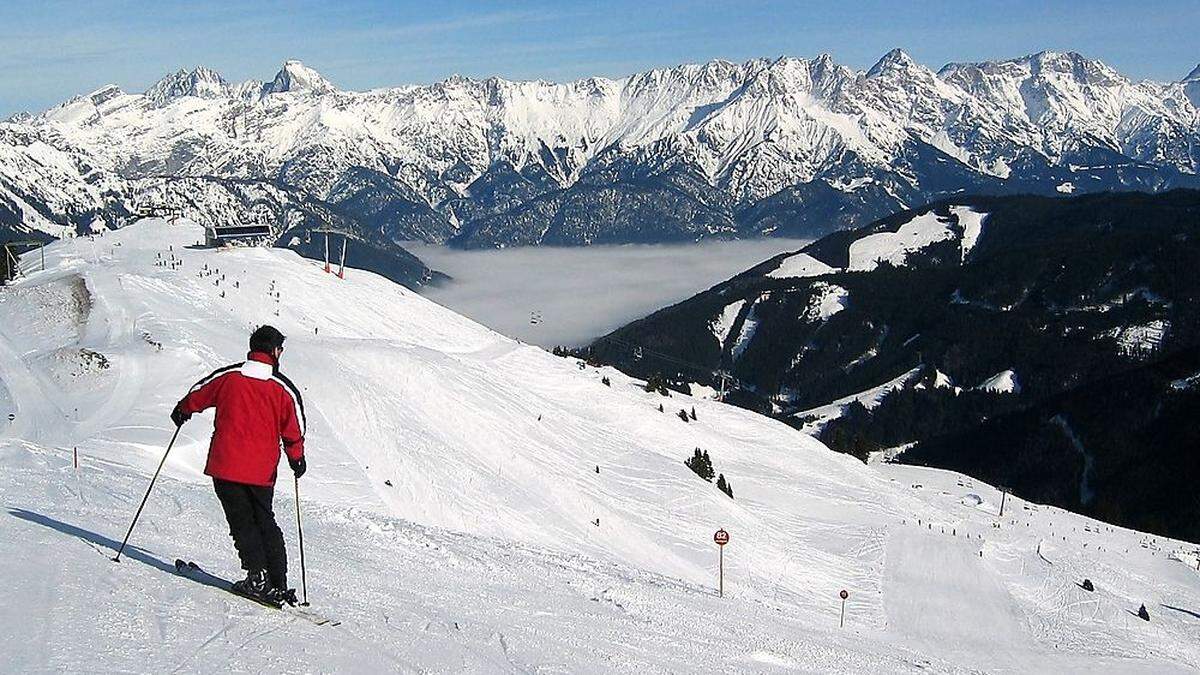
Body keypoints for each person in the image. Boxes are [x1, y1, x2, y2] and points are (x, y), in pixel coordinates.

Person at [171, 325, 307, 604]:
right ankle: (277, 582)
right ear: (274, 351)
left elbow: (199, 393)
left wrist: (183, 410)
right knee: (265, 520)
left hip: (226, 465)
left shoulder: (229, 377)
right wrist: (297, 459)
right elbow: (294, 429)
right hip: (261, 471)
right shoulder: (282, 388)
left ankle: (257, 577)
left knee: (242, 522)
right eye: (280, 349)